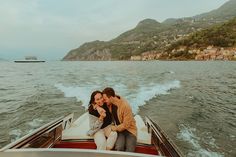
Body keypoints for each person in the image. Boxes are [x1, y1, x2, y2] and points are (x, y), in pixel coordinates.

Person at [102, 87, 137, 152]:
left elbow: (126, 125)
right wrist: (96, 107)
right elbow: (97, 102)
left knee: (130, 150)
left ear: (111, 98)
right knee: (119, 148)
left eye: (105, 99)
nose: (104, 101)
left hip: (130, 130)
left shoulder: (125, 106)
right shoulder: (109, 104)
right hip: (120, 131)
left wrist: (115, 128)